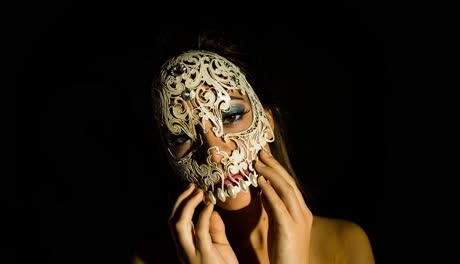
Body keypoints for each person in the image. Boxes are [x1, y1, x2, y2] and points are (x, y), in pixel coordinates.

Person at [133, 29, 376, 264]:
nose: (214, 155)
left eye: (231, 116)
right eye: (181, 137)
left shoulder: (345, 244)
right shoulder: (149, 259)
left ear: (267, 122)